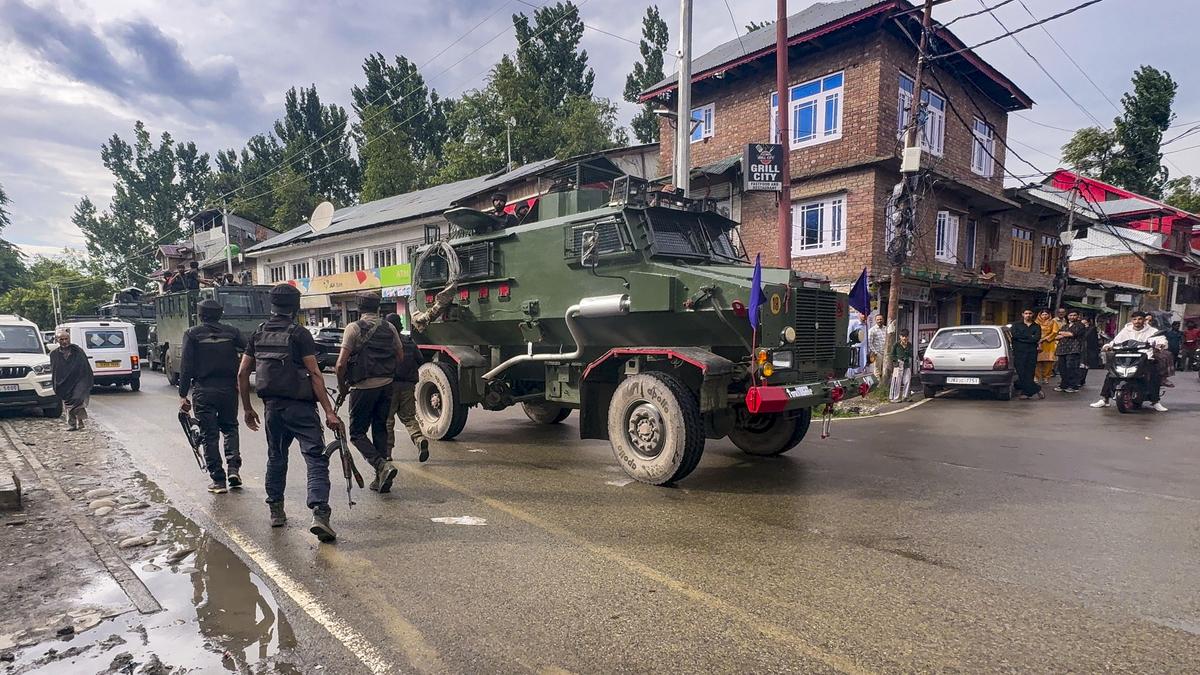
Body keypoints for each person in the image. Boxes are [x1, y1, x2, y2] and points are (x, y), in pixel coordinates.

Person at [239, 284, 343, 542]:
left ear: (271, 305)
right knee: (315, 458)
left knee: (276, 458)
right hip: (301, 409)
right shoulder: (300, 334)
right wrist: (329, 412)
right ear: (296, 306)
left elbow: (242, 373)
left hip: (272, 408)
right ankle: (319, 513)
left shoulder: (258, 333)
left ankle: (276, 511)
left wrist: (248, 408)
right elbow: (316, 374)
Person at [336, 292, 406, 494]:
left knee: (357, 433)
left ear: (359, 308)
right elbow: (400, 355)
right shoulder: (390, 327)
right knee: (380, 429)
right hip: (386, 385)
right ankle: (381, 478)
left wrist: (343, 387)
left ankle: (381, 465)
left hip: (363, 387)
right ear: (378, 307)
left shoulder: (353, 328)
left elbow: (340, 365)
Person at [179, 299, 246, 494]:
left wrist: (183, 394)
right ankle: (234, 469)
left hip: (204, 390)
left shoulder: (192, 334)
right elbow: (250, 350)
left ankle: (218, 480)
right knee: (230, 428)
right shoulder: (232, 332)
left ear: (200, 315)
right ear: (220, 314)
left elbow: (186, 366)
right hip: (228, 389)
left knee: (209, 435)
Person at [1090, 311, 1169, 411]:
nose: (1137, 321)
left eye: (1140, 319)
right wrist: (1108, 346)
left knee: (1153, 374)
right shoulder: (1126, 330)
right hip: (1125, 356)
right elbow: (1116, 341)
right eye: (1135, 319)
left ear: (1144, 320)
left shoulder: (1152, 331)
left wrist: (1160, 345)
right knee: (1111, 374)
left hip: (1145, 358)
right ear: (1131, 320)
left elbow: (1161, 340)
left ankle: (1155, 401)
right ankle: (1104, 399)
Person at [384, 313, 429, 463]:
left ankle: (387, 453)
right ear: (400, 326)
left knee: (387, 420)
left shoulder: (385, 342)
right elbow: (420, 359)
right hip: (408, 386)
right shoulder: (410, 342)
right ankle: (419, 439)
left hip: (389, 386)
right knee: (409, 418)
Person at [50, 329, 93, 431]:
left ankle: (79, 419)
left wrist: (85, 380)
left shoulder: (78, 351)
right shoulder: (54, 354)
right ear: (57, 340)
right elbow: (55, 370)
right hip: (64, 382)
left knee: (77, 398)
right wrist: (57, 383)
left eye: (66, 339)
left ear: (69, 339)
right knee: (68, 402)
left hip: (79, 380)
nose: (64, 341)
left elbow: (85, 367)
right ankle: (73, 423)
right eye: (61, 339)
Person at [1010, 309, 1044, 400]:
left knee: (1029, 373)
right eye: (1026, 313)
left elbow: (1036, 338)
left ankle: (1026, 393)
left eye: (1030, 313)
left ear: (1032, 314)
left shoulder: (1036, 326)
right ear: (1022, 314)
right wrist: (1030, 336)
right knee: (1021, 373)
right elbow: (1015, 335)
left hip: (1031, 353)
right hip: (1019, 352)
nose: (1028, 315)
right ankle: (1036, 389)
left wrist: (1023, 337)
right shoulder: (1016, 325)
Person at [1054, 310, 1085, 393]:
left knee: (1071, 368)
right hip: (1062, 349)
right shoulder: (1065, 325)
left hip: (1073, 349)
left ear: (1078, 316)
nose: (1072, 317)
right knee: (1062, 368)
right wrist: (1065, 333)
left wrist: (1063, 334)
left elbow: (1073, 334)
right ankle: (1064, 384)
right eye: (1070, 315)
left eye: (1074, 315)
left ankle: (1073, 386)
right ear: (1067, 316)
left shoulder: (1080, 325)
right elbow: (1057, 336)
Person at [888, 329, 913, 402]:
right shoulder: (896, 344)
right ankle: (894, 398)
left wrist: (906, 349)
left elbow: (911, 354)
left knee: (907, 380)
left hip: (906, 364)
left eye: (906, 336)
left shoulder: (909, 344)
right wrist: (896, 362)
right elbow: (892, 355)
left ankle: (905, 396)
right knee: (896, 381)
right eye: (903, 336)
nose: (905, 338)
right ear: (900, 337)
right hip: (898, 364)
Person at [1035, 309, 1059, 385]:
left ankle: (1046, 377)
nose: (1044, 316)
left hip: (1049, 344)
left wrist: (1045, 338)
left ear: (1049, 315)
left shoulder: (1053, 322)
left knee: (1048, 362)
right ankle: (1036, 377)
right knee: (1037, 362)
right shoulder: (1036, 323)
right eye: (1043, 314)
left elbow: (1055, 332)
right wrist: (1037, 339)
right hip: (1037, 343)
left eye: (1046, 314)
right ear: (1040, 315)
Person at [1080, 316, 1102, 387]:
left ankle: (1082, 380)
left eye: (1085, 323)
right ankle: (1079, 380)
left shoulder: (1092, 329)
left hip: (1087, 350)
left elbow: (1092, 340)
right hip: (1080, 349)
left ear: (1088, 323)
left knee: (1084, 365)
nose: (1083, 324)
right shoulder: (1080, 328)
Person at [867, 314, 887, 380]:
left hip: (886, 353)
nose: (879, 321)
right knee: (877, 371)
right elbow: (869, 343)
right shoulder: (872, 330)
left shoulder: (886, 328)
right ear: (875, 321)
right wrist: (875, 352)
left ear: (883, 320)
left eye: (880, 319)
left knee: (885, 370)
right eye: (878, 319)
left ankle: (884, 386)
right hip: (878, 353)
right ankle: (878, 387)